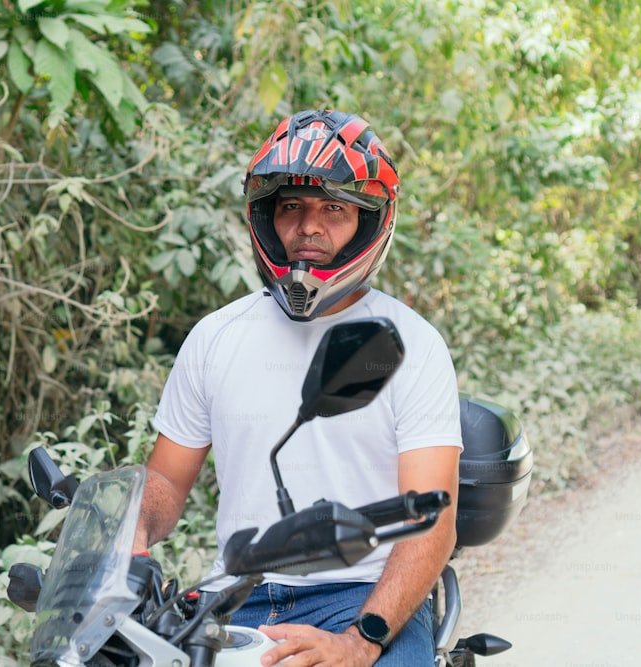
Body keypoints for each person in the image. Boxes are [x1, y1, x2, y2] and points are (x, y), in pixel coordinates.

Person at [133, 110, 462, 667]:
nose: (310, 227)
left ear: (370, 220)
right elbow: (166, 477)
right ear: (267, 217)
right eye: (293, 207)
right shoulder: (215, 338)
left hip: (358, 595)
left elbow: (430, 522)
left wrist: (362, 640)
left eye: (334, 208)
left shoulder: (411, 345)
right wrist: (131, 532)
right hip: (233, 596)